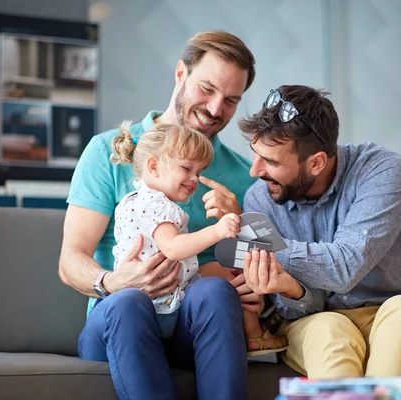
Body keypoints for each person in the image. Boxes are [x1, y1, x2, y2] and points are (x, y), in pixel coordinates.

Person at [58, 31, 262, 400]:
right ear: (180, 73)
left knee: (215, 290)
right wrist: (113, 281)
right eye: (207, 88)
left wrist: (241, 228)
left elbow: (257, 272)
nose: (216, 109)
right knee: (128, 301)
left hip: (192, 329)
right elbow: (70, 260)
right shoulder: (107, 151)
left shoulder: (242, 175)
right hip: (120, 324)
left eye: (231, 100)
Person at [236, 85, 401, 384]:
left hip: (399, 316)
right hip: (318, 320)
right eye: (256, 155)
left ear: (316, 162)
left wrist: (265, 248)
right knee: (328, 329)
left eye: (271, 162)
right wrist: (289, 289)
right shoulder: (260, 198)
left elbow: (345, 267)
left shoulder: (383, 170)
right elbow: (301, 306)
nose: (255, 171)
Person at [109, 121, 287, 353]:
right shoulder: (155, 205)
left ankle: (255, 330)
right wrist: (217, 230)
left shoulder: (135, 199)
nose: (194, 179)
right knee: (230, 281)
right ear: (153, 166)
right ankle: (254, 334)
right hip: (161, 301)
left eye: (199, 172)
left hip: (165, 287)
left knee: (221, 270)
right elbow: (173, 247)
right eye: (186, 168)